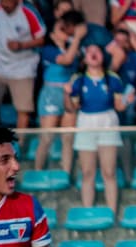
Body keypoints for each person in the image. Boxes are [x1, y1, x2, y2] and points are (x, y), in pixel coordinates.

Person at [68, 43, 129, 211]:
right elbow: (71, 107)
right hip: (86, 122)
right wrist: (67, 94)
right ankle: (88, 212)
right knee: (87, 173)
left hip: (108, 122)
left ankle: (112, 212)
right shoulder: (78, 80)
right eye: (90, 51)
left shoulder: (113, 79)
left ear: (103, 56)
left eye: (97, 51)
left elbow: (119, 106)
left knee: (109, 172)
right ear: (85, 58)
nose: (94, 54)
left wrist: (127, 101)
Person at [0, 0, 46, 130]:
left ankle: (20, 144)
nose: (5, 6)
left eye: (9, 3)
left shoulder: (28, 12)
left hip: (23, 69)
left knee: (23, 109)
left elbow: (41, 39)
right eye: (3, 2)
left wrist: (21, 45)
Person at [34, 11, 85, 173]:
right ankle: (38, 172)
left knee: (68, 139)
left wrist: (74, 41)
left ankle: (66, 173)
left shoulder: (74, 49)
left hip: (69, 95)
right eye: (61, 29)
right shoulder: (48, 50)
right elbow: (66, 60)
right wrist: (77, 38)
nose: (66, 32)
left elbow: (74, 58)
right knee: (47, 138)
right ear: (53, 34)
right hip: (51, 95)